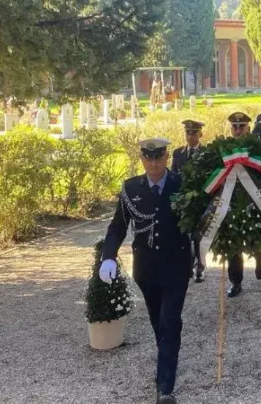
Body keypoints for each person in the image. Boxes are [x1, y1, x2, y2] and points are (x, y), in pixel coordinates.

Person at [100, 138, 192, 404]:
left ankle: (165, 387)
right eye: (148, 159)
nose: (153, 164)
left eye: (158, 158)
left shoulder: (182, 184)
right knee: (158, 322)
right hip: (146, 269)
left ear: (165, 158)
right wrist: (108, 257)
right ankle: (167, 354)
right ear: (142, 159)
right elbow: (117, 227)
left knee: (169, 322)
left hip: (176, 266)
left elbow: (199, 219)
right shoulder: (131, 188)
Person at [226, 111, 261, 297]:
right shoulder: (225, 148)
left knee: (256, 234)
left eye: (241, 126)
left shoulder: (257, 147)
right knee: (232, 243)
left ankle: (259, 256)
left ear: (248, 128)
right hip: (232, 199)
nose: (238, 129)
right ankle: (236, 281)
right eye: (234, 126)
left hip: (253, 198)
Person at [171, 120, 207, 282]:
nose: (190, 136)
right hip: (183, 199)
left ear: (200, 134)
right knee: (184, 234)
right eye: (188, 133)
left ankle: (200, 265)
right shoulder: (178, 153)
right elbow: (173, 175)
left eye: (194, 133)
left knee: (198, 235)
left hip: (200, 199)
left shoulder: (207, 152)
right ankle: (188, 264)